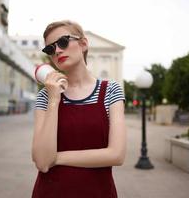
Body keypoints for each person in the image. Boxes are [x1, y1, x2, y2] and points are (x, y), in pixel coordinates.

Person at [31, 20, 126, 198]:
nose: (57, 50)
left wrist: (57, 158)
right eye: (50, 49)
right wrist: (54, 99)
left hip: (99, 193)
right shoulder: (45, 96)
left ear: (83, 44)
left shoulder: (111, 90)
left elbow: (117, 154)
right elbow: (43, 162)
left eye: (63, 42)